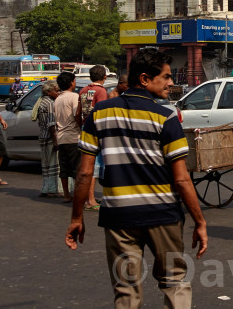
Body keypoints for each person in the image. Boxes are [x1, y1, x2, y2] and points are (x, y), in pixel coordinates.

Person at [66, 48, 208, 307]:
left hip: (119, 217)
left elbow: (85, 171)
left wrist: (77, 217)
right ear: (144, 79)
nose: (171, 82)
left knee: (126, 290)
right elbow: (181, 180)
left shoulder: (99, 114)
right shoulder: (166, 117)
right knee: (175, 282)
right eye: (165, 77)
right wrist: (200, 221)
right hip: (163, 214)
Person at [78, 65, 110, 211]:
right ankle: (90, 200)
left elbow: (78, 113)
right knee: (95, 167)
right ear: (104, 77)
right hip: (97, 130)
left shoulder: (83, 90)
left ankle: (89, 197)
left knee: (88, 164)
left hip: (86, 128)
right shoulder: (101, 91)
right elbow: (102, 112)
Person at [54, 71, 81, 202]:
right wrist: (81, 126)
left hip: (61, 137)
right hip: (73, 136)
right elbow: (77, 114)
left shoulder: (58, 99)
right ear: (71, 83)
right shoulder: (74, 97)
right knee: (77, 168)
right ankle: (77, 194)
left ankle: (66, 195)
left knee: (64, 169)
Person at [32, 80, 60, 197]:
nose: (58, 93)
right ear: (49, 92)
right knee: (53, 165)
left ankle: (46, 188)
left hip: (43, 136)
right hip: (49, 137)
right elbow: (51, 124)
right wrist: (55, 141)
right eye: (56, 91)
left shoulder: (42, 102)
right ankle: (52, 189)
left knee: (46, 165)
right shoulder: (49, 103)